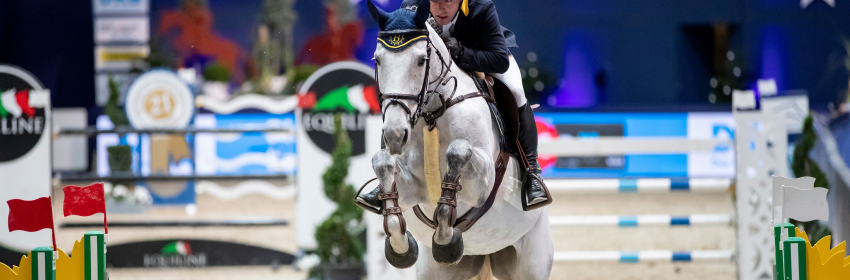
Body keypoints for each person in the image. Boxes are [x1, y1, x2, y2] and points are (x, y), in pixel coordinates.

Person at [357, 0, 551, 211]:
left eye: (448, 1)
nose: (441, 8)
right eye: (436, 1)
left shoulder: (481, 7)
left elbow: (499, 60)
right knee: (399, 100)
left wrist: (461, 52)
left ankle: (531, 172)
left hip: (480, 56)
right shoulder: (412, 6)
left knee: (515, 89)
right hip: (432, 67)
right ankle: (387, 179)